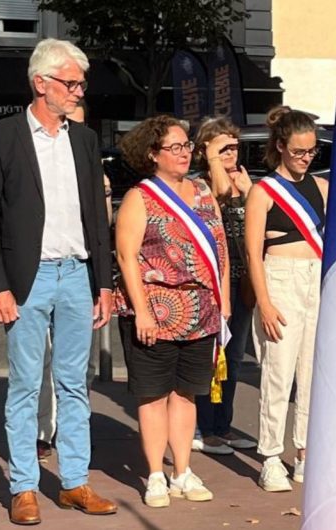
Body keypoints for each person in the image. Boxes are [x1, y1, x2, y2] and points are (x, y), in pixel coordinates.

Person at [0, 39, 117, 525]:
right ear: (42, 83)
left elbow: (96, 214)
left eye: (80, 83)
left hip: (77, 274)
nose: (79, 91)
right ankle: (24, 488)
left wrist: (104, 282)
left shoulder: (84, 139)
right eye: (71, 82)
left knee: (75, 383)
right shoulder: (2, 137)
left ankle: (75, 482)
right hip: (26, 280)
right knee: (25, 385)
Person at [114, 115, 230, 508]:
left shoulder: (201, 191)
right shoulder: (139, 197)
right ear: (152, 154)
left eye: (186, 146)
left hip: (201, 310)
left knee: (186, 395)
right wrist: (143, 312)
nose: (184, 154)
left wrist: (223, 300)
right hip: (156, 313)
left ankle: (182, 470)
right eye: (175, 147)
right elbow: (127, 257)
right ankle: (156, 475)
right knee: (153, 396)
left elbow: (219, 247)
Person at [244, 106, 328, 492]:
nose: (306, 158)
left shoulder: (323, 187)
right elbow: (252, 252)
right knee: (278, 373)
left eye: (312, 151)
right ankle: (271, 456)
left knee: (313, 374)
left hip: (317, 278)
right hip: (279, 278)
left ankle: (306, 452)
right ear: (280, 147)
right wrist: (264, 302)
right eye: (299, 151)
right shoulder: (263, 192)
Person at [36, 101, 113, 459]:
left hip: (78, 269)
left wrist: (104, 283)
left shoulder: (91, 163)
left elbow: (101, 225)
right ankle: (42, 430)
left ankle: (74, 436)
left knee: (80, 367)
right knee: (42, 361)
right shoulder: (36, 156)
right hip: (40, 268)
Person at [191, 117, 256, 455]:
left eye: (234, 146)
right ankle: (205, 426)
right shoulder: (198, 184)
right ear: (206, 150)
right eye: (224, 147)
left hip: (242, 279)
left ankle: (223, 424)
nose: (232, 152)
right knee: (210, 354)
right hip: (212, 281)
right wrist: (214, 160)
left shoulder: (246, 182)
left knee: (234, 354)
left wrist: (248, 193)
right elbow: (218, 194)